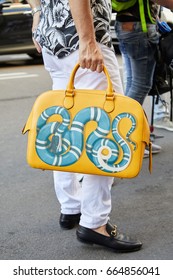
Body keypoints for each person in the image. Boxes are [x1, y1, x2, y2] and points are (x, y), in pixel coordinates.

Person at [26, 0, 143, 253]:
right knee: (105, 133)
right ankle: (95, 222)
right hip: (83, 38)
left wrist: (37, 15)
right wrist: (88, 40)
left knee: (66, 123)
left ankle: (70, 207)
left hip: (53, 38)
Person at [114, 1, 163, 156]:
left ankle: (132, 138)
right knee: (140, 86)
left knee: (132, 84)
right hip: (139, 29)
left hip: (124, 26)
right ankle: (122, 141)